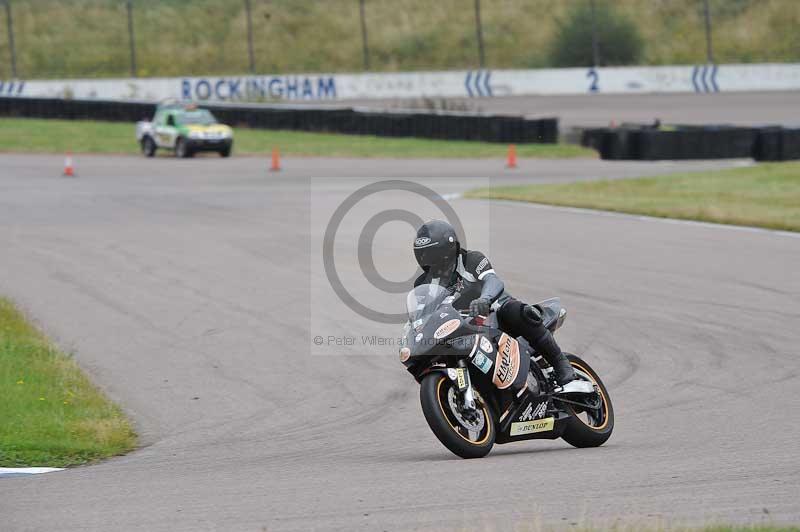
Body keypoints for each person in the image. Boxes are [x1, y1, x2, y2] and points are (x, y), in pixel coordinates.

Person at [412, 220, 593, 394]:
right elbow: (423, 315)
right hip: (464, 330)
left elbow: (493, 280)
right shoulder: (423, 283)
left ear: (449, 249)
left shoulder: (471, 260)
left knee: (513, 310)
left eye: (433, 254)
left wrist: (485, 299)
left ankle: (563, 367)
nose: (428, 260)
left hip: (496, 317)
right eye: (424, 255)